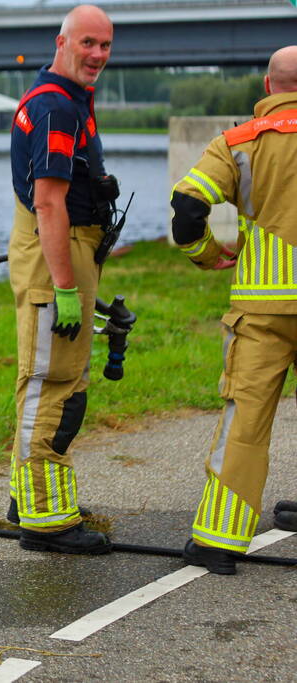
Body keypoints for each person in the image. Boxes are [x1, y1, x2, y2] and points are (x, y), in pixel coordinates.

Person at [174, 46, 297, 574]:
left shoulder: (241, 141)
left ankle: (219, 541)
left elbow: (187, 207)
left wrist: (206, 255)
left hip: (263, 310)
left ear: (268, 84)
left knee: (244, 423)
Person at [6, 4, 116, 554]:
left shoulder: (64, 97)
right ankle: (44, 520)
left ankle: (26, 496)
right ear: (62, 42)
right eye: (88, 43)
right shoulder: (57, 107)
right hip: (58, 251)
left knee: (56, 380)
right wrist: (66, 288)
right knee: (53, 385)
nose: (97, 55)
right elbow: (49, 204)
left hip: (62, 248)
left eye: (105, 46)